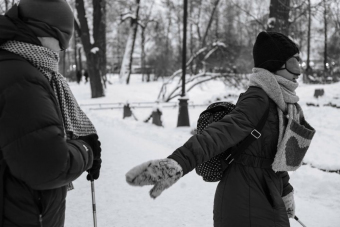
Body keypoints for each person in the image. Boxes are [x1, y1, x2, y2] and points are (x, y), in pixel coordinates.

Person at [126, 31, 315, 227]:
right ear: (274, 65)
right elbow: (216, 136)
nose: (298, 72)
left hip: (266, 196)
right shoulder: (258, 100)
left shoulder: (280, 105)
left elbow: (271, 158)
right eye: (294, 64)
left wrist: (285, 190)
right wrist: (176, 163)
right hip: (244, 201)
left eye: (299, 63)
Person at [0, 1, 102, 226]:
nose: (61, 50)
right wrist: (86, 151)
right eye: (62, 40)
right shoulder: (23, 79)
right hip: (20, 214)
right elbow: (50, 167)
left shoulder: (11, 66)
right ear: (44, 31)